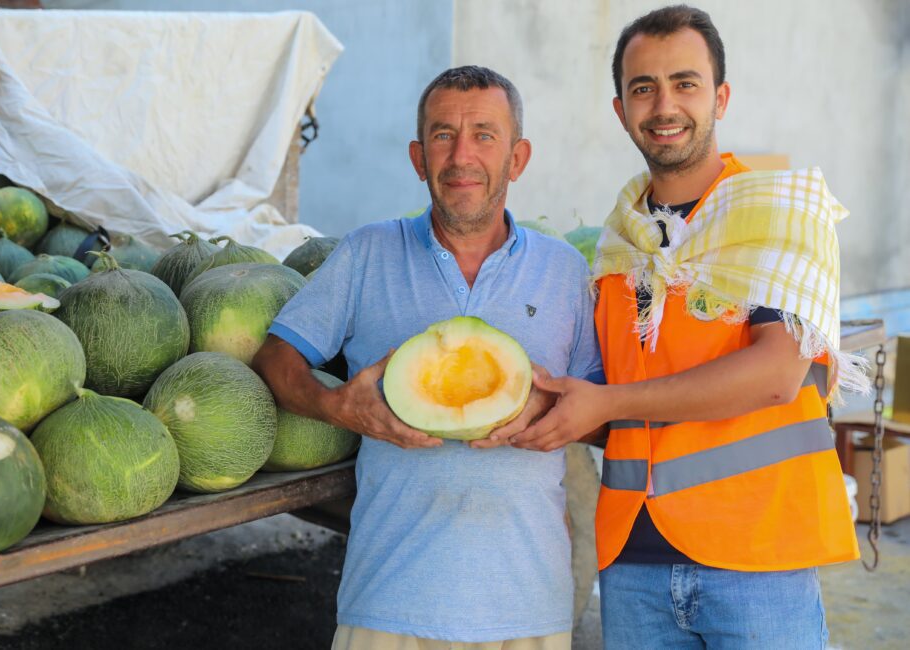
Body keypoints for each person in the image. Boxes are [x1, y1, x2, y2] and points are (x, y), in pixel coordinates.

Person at [486, 5, 864, 649]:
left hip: (759, 559)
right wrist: (529, 406)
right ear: (620, 109)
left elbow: (776, 375)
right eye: (644, 88)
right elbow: (613, 403)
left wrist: (609, 401)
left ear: (720, 96)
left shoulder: (780, 215)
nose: (665, 105)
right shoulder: (617, 246)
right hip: (633, 563)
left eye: (685, 83)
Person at [250, 66, 602, 649]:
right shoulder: (366, 252)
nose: (461, 155)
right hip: (389, 600)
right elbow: (275, 355)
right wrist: (337, 406)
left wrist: (550, 409)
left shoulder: (565, 270)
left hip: (528, 607)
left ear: (518, 158)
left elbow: (600, 412)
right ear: (419, 157)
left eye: (484, 135)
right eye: (443, 135)